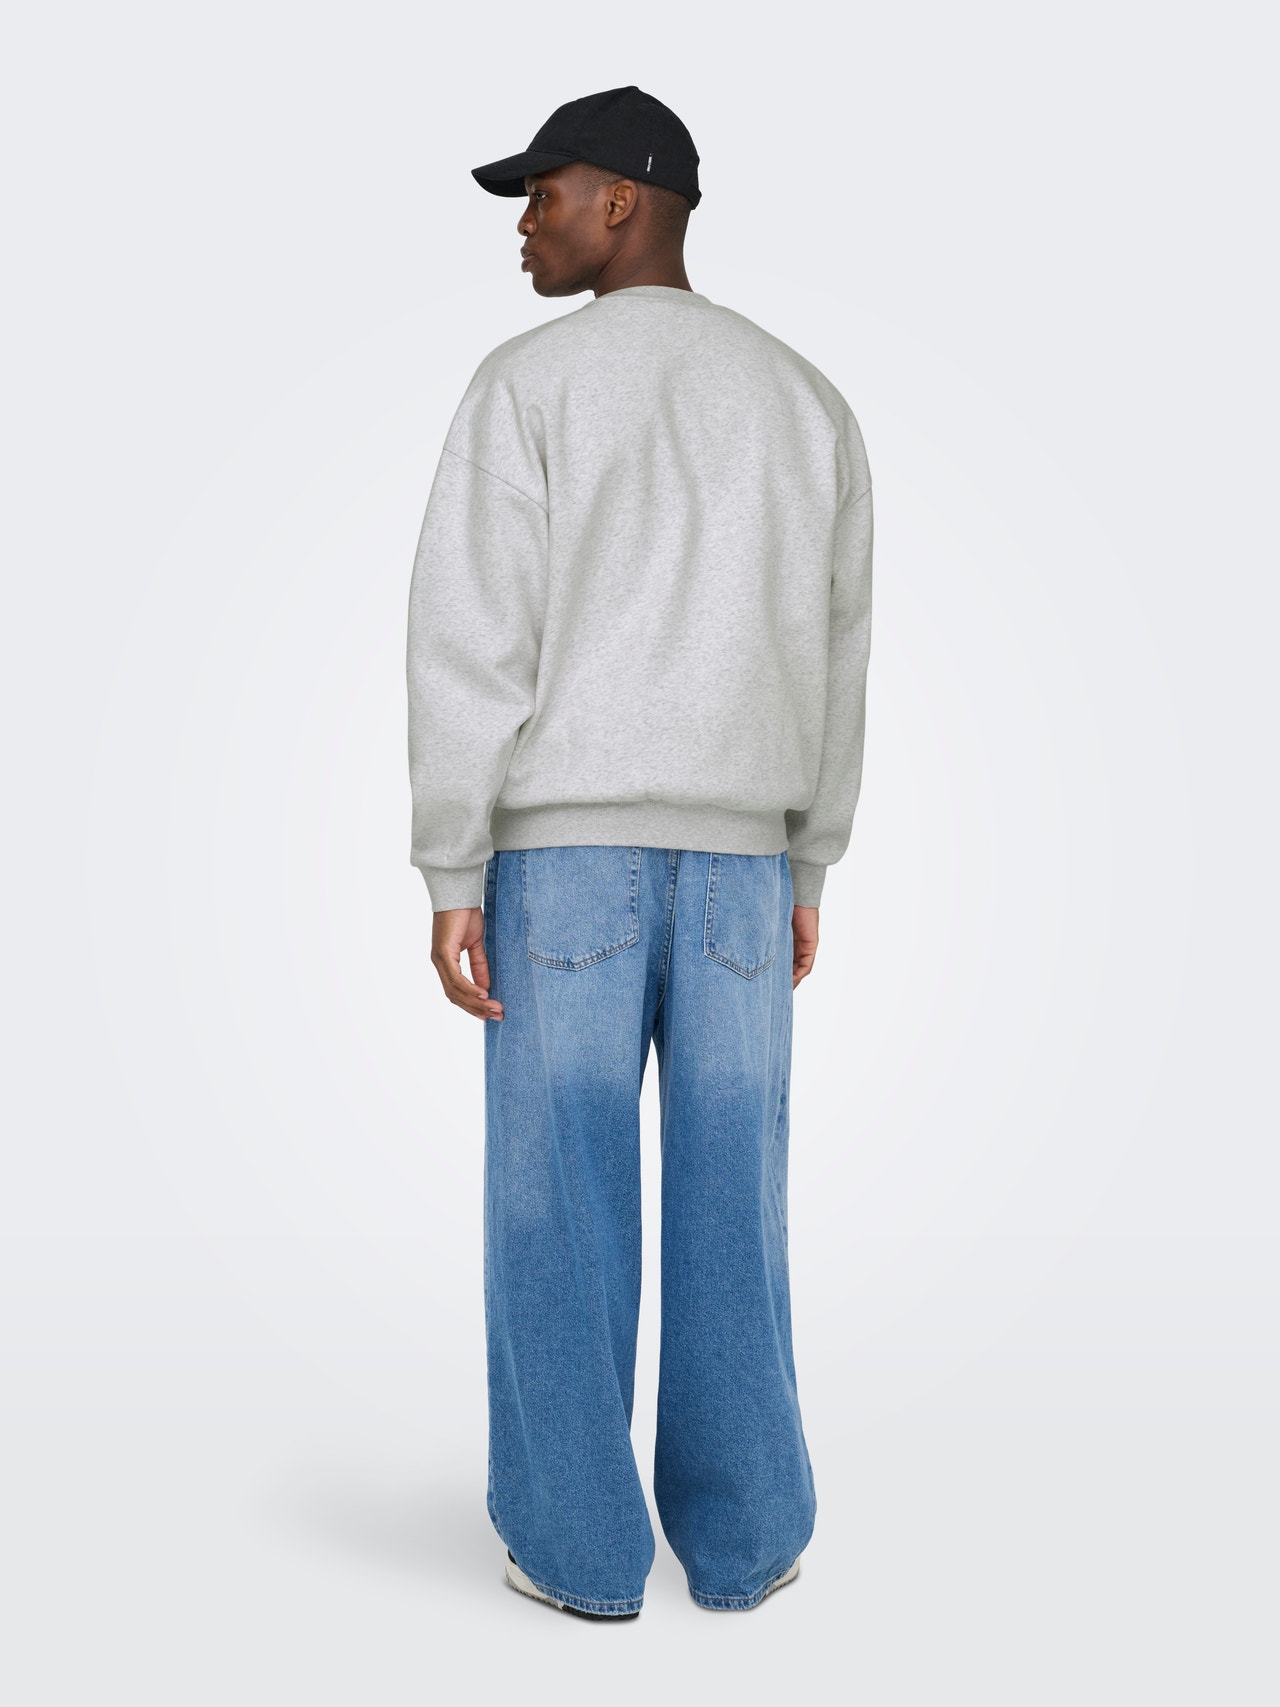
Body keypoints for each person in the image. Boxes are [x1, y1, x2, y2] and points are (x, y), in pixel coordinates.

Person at [405, 85, 873, 1620]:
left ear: (624, 200)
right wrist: (808, 863)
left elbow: (471, 638)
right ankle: (747, 1541)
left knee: (560, 1205)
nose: (525, 226)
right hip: (742, 868)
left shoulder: (527, 387)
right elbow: (839, 649)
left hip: (565, 867)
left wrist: (453, 867)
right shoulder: (802, 399)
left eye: (543, 195)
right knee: (739, 1201)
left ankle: (579, 1551)